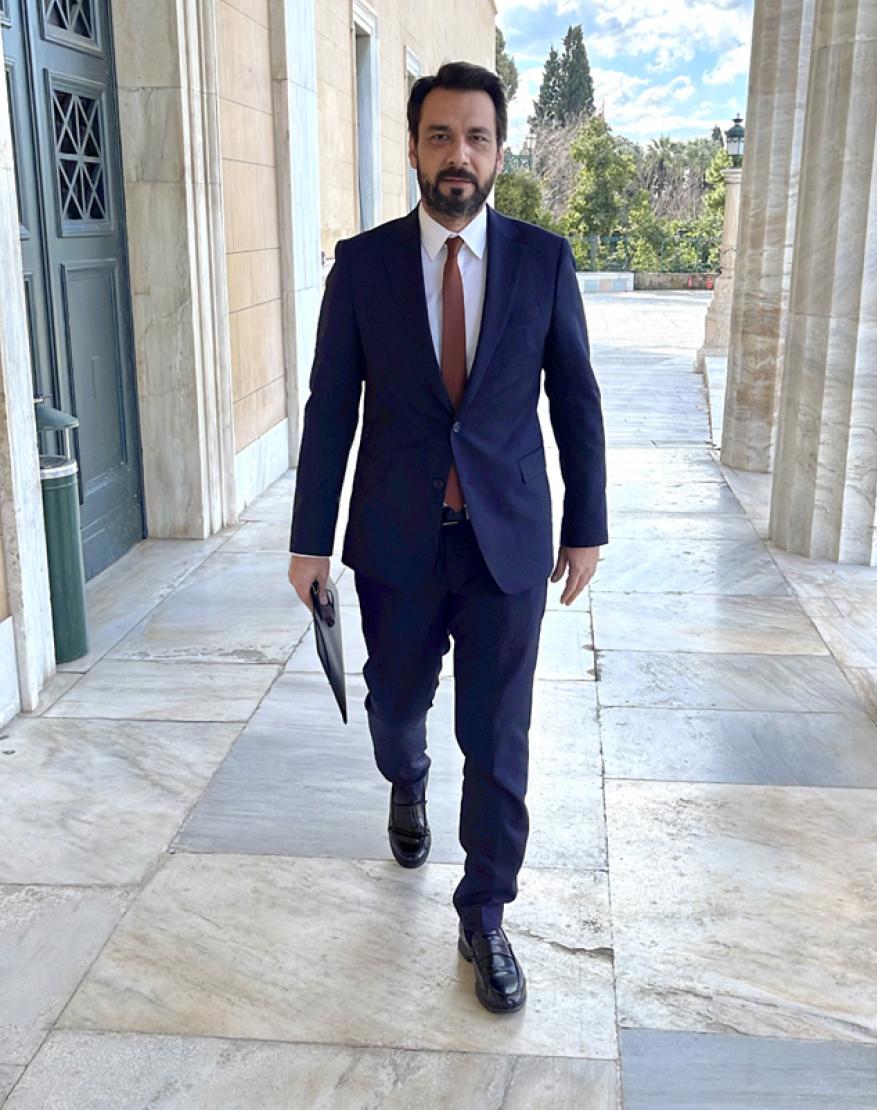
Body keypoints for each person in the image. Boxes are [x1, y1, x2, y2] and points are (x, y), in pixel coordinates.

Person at [288, 61, 607, 1015]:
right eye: (440, 136)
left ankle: (486, 915)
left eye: (476, 137)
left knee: (498, 735)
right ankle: (407, 775)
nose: (458, 154)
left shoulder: (544, 261)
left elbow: (576, 399)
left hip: (507, 541)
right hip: (397, 539)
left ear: (499, 153)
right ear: (415, 149)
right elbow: (330, 407)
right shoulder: (364, 265)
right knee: (394, 706)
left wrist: (586, 525)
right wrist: (309, 541)